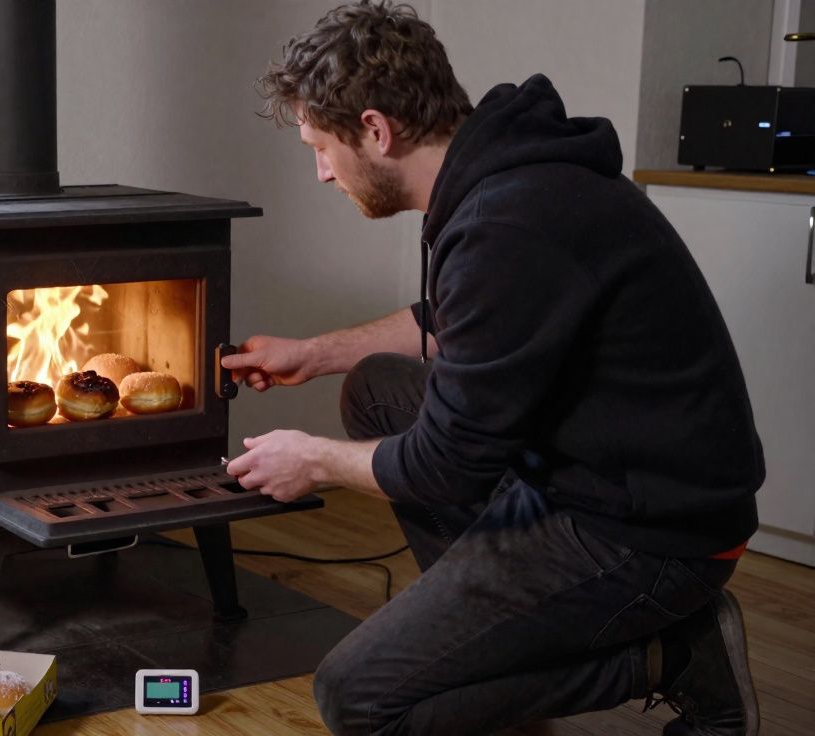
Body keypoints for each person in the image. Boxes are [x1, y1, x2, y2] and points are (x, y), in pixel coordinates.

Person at [221, 2, 765, 735]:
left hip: (654, 532)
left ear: (376, 131)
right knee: (378, 390)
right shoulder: (504, 179)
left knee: (358, 696)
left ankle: (677, 655)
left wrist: (311, 460)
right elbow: (455, 326)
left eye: (322, 148)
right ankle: (489, 638)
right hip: (597, 477)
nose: (322, 173)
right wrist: (311, 354)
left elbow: (444, 466)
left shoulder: (508, 220)